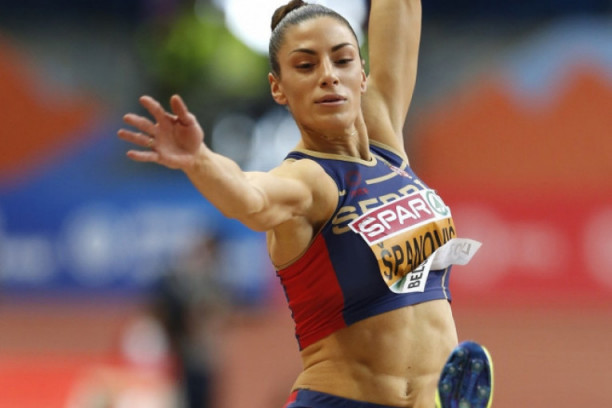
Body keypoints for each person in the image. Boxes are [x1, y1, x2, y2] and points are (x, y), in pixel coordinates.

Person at [117, 1, 493, 407]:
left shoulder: (386, 143)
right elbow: (250, 197)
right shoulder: (307, 182)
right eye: (305, 66)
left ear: (362, 73)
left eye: (342, 60)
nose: (328, 75)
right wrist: (200, 160)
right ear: (278, 87)